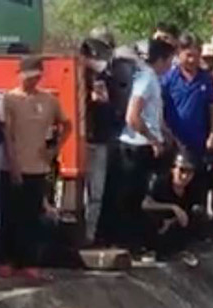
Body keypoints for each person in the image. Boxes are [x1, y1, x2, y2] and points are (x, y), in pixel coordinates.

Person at [0, 56, 71, 280]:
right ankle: (7, 260)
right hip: (12, 166)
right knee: (10, 215)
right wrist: (14, 165)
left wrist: (54, 150)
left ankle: (29, 261)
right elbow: (6, 135)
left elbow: (67, 125)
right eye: (28, 77)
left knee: (32, 217)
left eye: (36, 77)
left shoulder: (48, 100)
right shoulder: (9, 99)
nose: (32, 81)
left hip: (37, 168)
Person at [116, 38, 176, 255]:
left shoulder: (151, 79)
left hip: (144, 143)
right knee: (132, 198)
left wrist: (165, 133)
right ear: (160, 60)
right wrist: (152, 139)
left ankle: (136, 242)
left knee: (138, 196)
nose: (171, 66)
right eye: (169, 60)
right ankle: (130, 244)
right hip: (136, 146)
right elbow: (133, 116)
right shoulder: (147, 79)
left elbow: (154, 115)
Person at [162, 31, 213, 212]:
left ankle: (197, 224)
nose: (192, 60)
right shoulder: (168, 79)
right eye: (188, 55)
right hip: (174, 140)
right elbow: (159, 108)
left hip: (198, 140)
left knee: (199, 184)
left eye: (196, 55)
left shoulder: (207, 79)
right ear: (179, 54)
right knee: (174, 183)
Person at [80, 27, 119, 246]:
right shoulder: (78, 74)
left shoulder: (109, 74)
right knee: (76, 191)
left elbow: (109, 103)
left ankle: (89, 235)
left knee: (96, 192)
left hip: (100, 138)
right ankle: (75, 232)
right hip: (79, 139)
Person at [142, 150, 206, 262]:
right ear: (173, 169)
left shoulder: (194, 186)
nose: (185, 176)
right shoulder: (161, 182)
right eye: (181, 170)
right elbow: (145, 204)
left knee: (198, 214)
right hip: (162, 219)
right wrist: (173, 207)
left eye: (189, 172)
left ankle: (187, 248)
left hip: (178, 221)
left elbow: (196, 206)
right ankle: (152, 249)